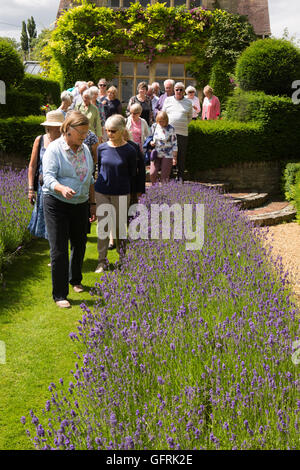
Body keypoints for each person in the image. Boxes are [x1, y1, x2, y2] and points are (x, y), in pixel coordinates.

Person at [42, 111, 96, 309]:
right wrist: (62, 188)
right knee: (59, 250)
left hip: (80, 204)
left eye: (86, 132)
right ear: (68, 129)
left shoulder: (85, 150)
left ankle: (75, 280)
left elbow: (90, 177)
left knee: (80, 244)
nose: (84, 136)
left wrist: (92, 203)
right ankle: (59, 294)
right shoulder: (54, 149)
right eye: (81, 132)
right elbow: (47, 178)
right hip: (56, 203)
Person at [94, 114, 137, 274]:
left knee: (120, 228)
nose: (109, 134)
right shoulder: (102, 148)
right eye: (107, 131)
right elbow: (99, 168)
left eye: (112, 131)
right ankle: (101, 261)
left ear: (121, 130)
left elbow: (132, 172)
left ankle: (123, 259)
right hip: (102, 191)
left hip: (121, 192)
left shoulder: (130, 150)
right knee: (103, 227)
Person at [28, 110, 65, 240]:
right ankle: (55, 256)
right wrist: (31, 189)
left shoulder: (65, 141)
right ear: (48, 127)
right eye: (54, 127)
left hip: (61, 185)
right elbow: (32, 166)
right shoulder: (40, 140)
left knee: (59, 222)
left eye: (59, 127)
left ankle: (56, 257)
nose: (57, 130)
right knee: (48, 223)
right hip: (43, 186)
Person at [162, 82, 193, 182]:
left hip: (182, 133)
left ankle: (180, 178)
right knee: (169, 155)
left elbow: (189, 118)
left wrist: (181, 124)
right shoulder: (168, 100)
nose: (179, 91)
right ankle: (169, 177)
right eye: (177, 89)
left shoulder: (188, 102)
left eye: (181, 90)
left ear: (184, 91)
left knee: (181, 156)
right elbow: (163, 115)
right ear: (174, 90)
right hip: (169, 133)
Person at [149, 111, 177, 185]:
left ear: (166, 120)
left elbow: (174, 144)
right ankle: (154, 189)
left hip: (168, 154)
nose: (160, 123)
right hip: (156, 153)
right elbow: (149, 138)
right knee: (152, 173)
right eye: (158, 121)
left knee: (164, 177)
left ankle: (164, 193)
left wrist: (174, 157)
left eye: (162, 121)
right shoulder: (154, 126)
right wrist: (151, 142)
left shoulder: (171, 129)